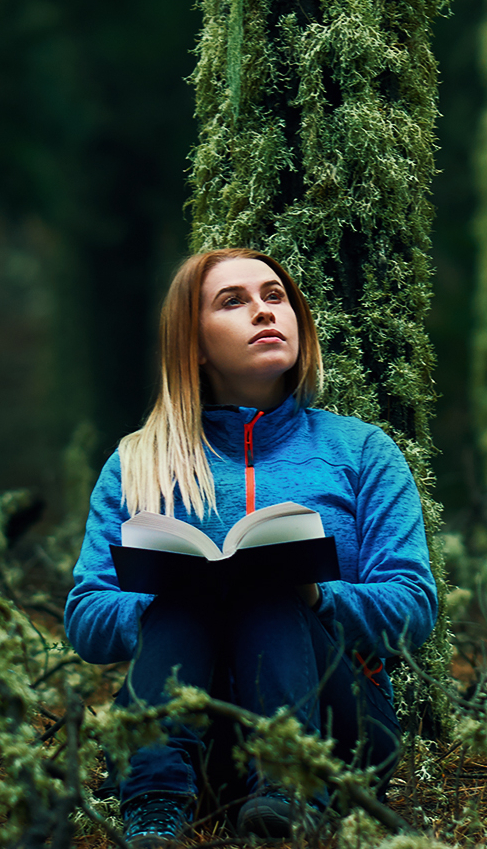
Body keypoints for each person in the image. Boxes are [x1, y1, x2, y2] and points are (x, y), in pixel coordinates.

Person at [64, 248, 437, 846]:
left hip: (339, 735)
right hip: (196, 737)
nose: (264, 312)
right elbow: (86, 617)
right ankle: (154, 800)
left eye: (275, 296)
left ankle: (288, 786)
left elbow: (414, 606)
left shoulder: (362, 451)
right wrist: (168, 597)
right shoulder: (139, 462)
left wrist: (316, 595)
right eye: (233, 302)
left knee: (269, 589)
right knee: (184, 598)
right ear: (196, 345)